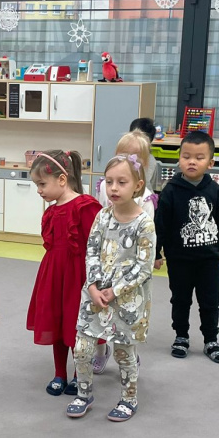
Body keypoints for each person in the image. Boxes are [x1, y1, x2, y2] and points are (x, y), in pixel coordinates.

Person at [67, 152, 156, 423]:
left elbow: (144, 266)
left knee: (123, 352)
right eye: (109, 182)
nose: (114, 188)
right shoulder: (102, 216)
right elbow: (91, 251)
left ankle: (129, 399)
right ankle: (84, 394)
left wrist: (115, 290)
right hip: (95, 295)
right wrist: (94, 286)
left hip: (126, 300)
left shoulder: (144, 223)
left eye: (121, 182)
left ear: (137, 186)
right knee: (82, 348)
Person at [153, 130, 219, 364]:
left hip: (208, 260)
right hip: (179, 260)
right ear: (179, 159)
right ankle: (181, 336)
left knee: (210, 301)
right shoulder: (170, 190)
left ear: (210, 163)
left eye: (199, 158)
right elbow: (160, 224)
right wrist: (156, 252)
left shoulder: (214, 190)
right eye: (186, 156)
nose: (191, 162)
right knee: (180, 300)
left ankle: (211, 340)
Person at [25, 150, 102, 396]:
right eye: (36, 185)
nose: (39, 190)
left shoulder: (85, 206)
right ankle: (60, 373)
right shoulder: (50, 212)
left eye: (42, 184)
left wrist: (97, 280)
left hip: (78, 277)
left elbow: (97, 246)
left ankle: (81, 374)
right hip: (53, 275)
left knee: (77, 324)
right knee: (56, 322)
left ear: (61, 179)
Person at [93, 131, 154, 374]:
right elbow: (100, 218)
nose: (127, 159)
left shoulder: (146, 198)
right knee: (99, 311)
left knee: (127, 316)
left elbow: (147, 236)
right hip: (106, 262)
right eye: (122, 154)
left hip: (130, 269)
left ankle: (129, 352)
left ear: (143, 163)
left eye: (133, 156)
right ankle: (101, 351)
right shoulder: (105, 187)